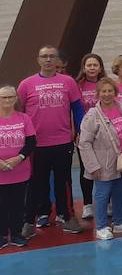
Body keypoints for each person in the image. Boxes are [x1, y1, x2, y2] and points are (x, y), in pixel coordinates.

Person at [17, 45, 84, 236]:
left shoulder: (68, 82)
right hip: (37, 144)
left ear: (57, 61)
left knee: (64, 182)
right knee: (36, 182)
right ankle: (31, 219)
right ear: (38, 60)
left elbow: (78, 109)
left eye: (51, 57)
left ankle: (67, 216)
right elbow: (19, 113)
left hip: (62, 142)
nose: (48, 60)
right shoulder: (26, 84)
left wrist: (80, 131)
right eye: (44, 57)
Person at [77, 77, 122, 239]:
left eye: (110, 91)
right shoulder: (92, 116)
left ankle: (119, 222)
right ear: (98, 94)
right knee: (102, 194)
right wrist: (92, 166)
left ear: (115, 93)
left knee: (119, 191)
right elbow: (84, 143)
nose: (107, 94)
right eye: (103, 91)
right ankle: (101, 226)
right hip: (104, 164)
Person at [0, 85, 38, 248]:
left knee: (17, 204)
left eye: (10, 97)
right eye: (4, 97)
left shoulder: (23, 118)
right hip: (1, 172)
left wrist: (19, 158)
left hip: (19, 170)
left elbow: (31, 141)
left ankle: (16, 233)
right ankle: (1, 235)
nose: (7, 100)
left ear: (16, 99)